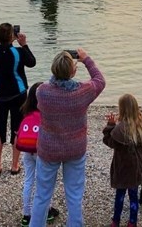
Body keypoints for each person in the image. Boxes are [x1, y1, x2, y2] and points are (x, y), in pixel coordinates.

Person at [29, 49, 106, 227]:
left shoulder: (42, 92)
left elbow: (49, 88)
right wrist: (86, 59)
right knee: (74, 195)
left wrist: (64, 69)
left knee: (42, 195)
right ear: (73, 72)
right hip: (75, 149)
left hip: (49, 150)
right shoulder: (82, 92)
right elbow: (100, 80)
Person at [0, 23, 36, 176]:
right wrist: (24, 44)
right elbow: (32, 62)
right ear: (12, 37)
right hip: (18, 93)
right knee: (17, 127)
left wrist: (11, 43)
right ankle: (14, 166)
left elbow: (3, 54)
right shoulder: (19, 52)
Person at [16, 83, 60, 226]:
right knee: (45, 182)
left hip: (27, 150)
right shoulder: (47, 115)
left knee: (29, 181)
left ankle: (26, 215)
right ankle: (46, 211)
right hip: (41, 151)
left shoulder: (26, 112)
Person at [103, 94, 142, 227]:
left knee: (120, 194)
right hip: (136, 166)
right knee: (134, 196)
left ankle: (116, 220)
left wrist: (110, 126)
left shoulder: (119, 129)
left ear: (121, 110)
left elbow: (109, 142)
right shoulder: (140, 125)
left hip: (122, 167)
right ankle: (132, 222)